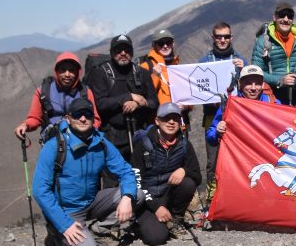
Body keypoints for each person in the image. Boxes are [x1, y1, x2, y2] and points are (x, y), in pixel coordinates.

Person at [32, 98, 140, 246]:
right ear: (68, 119)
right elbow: (40, 190)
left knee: (137, 195)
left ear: (93, 118)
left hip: (92, 202)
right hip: (67, 211)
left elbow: (126, 171)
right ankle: (56, 234)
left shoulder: (101, 143)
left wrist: (127, 197)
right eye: (77, 115)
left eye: (87, 115)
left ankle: (99, 229)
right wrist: (64, 225)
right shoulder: (54, 146)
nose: (83, 119)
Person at [132, 103, 202, 246]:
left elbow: (197, 176)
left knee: (188, 182)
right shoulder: (142, 145)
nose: (171, 122)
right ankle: (140, 222)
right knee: (156, 238)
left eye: (175, 118)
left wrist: (184, 170)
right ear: (157, 121)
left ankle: (175, 220)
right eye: (166, 118)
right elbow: (136, 182)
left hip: (167, 196)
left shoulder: (184, 145)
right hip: (147, 200)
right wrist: (156, 207)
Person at [86, 34, 158, 164]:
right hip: (111, 137)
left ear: (132, 51)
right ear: (111, 52)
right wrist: (128, 97)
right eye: (118, 50)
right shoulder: (101, 73)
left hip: (140, 136)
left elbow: (154, 103)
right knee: (113, 181)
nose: (123, 53)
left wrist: (138, 104)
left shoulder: (142, 73)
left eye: (127, 49)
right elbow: (100, 104)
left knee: (139, 178)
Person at [198, 21, 247, 197]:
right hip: (212, 116)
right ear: (213, 38)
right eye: (219, 37)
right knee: (213, 160)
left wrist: (244, 70)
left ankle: (236, 197)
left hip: (236, 118)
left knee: (236, 158)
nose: (223, 40)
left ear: (231, 37)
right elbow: (197, 91)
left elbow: (249, 90)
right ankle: (212, 198)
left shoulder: (240, 60)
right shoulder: (204, 61)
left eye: (226, 36)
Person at [14, 52, 102, 141]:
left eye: (72, 70)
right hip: (51, 142)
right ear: (56, 71)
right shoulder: (43, 91)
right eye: (63, 70)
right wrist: (25, 125)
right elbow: (35, 118)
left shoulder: (85, 92)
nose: (67, 74)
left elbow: (95, 119)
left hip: (81, 142)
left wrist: (86, 132)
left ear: (77, 72)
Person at [205, 65, 279, 148]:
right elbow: (210, 137)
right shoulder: (229, 105)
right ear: (240, 84)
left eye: (257, 84)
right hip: (240, 156)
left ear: (262, 85)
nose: (253, 88)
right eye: (248, 83)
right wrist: (217, 132)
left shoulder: (273, 103)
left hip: (267, 154)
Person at [252, 1, 296, 105]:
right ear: (275, 17)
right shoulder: (263, 41)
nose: (286, 19)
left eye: (290, 16)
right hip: (274, 98)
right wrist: (280, 80)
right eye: (282, 15)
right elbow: (257, 71)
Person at [140, 28, 190, 128]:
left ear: (173, 44)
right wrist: (155, 76)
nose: (165, 46)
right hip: (158, 124)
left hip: (179, 123)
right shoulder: (145, 67)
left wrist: (186, 106)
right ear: (154, 45)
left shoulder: (177, 66)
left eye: (168, 42)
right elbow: (144, 95)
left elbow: (188, 93)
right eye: (161, 43)